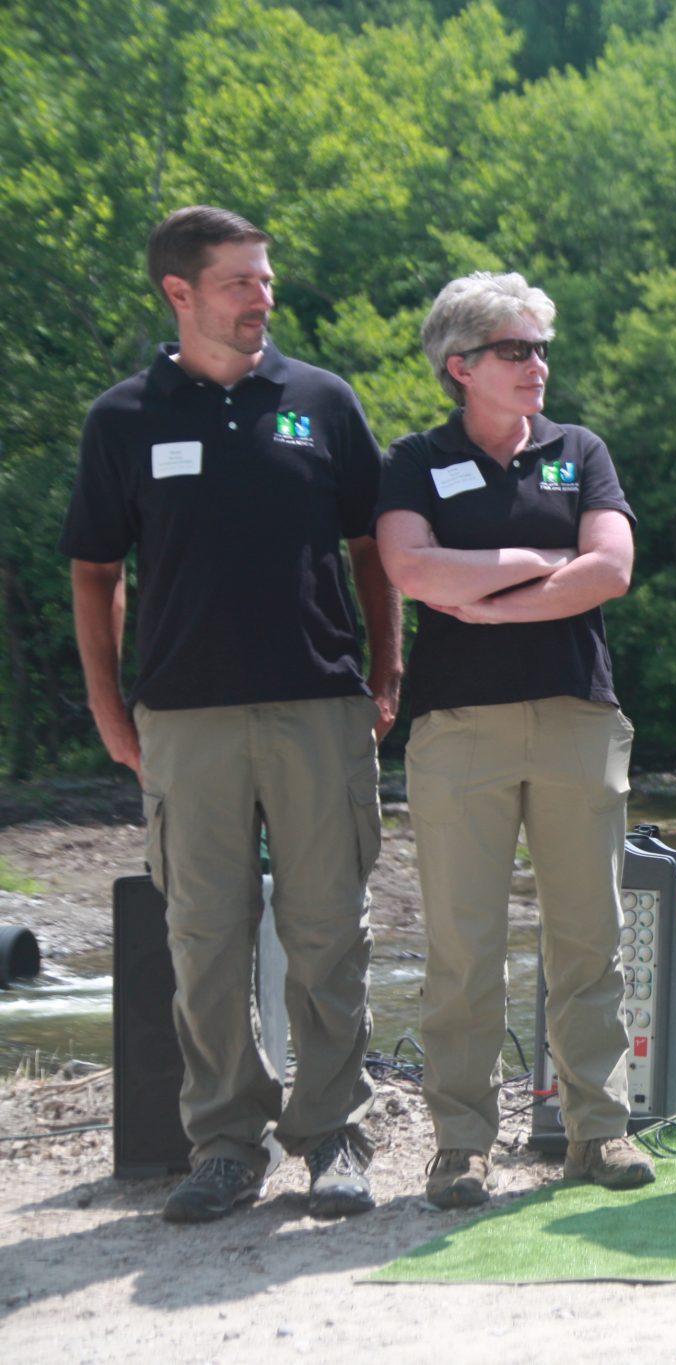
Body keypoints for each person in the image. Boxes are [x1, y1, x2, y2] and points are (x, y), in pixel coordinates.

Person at [61, 206, 402, 1222]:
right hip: (185, 722)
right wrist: (111, 712)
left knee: (328, 934)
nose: (263, 297)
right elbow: (92, 574)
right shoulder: (122, 419)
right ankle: (224, 1142)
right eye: (240, 282)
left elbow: (373, 554)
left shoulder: (322, 401)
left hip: (319, 708)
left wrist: (384, 680)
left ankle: (333, 1135)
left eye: (265, 279)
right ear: (180, 292)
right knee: (204, 940)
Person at [375, 272, 652, 1207]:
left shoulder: (581, 450)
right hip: (457, 729)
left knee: (591, 935)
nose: (538, 365)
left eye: (541, 348)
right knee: (463, 941)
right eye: (515, 350)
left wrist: (484, 596)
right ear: (461, 366)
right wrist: (542, 561)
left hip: (577, 714)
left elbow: (610, 568)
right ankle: (461, 1143)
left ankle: (597, 1132)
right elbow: (410, 566)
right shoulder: (414, 460)